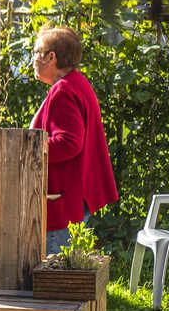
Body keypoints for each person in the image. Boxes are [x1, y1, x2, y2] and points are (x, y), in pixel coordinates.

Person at [29, 26, 118, 255]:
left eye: (36, 52)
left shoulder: (64, 91)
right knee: (63, 262)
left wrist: (30, 148)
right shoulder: (76, 83)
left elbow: (69, 143)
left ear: (52, 57)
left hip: (65, 193)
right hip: (74, 190)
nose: (33, 58)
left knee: (53, 268)